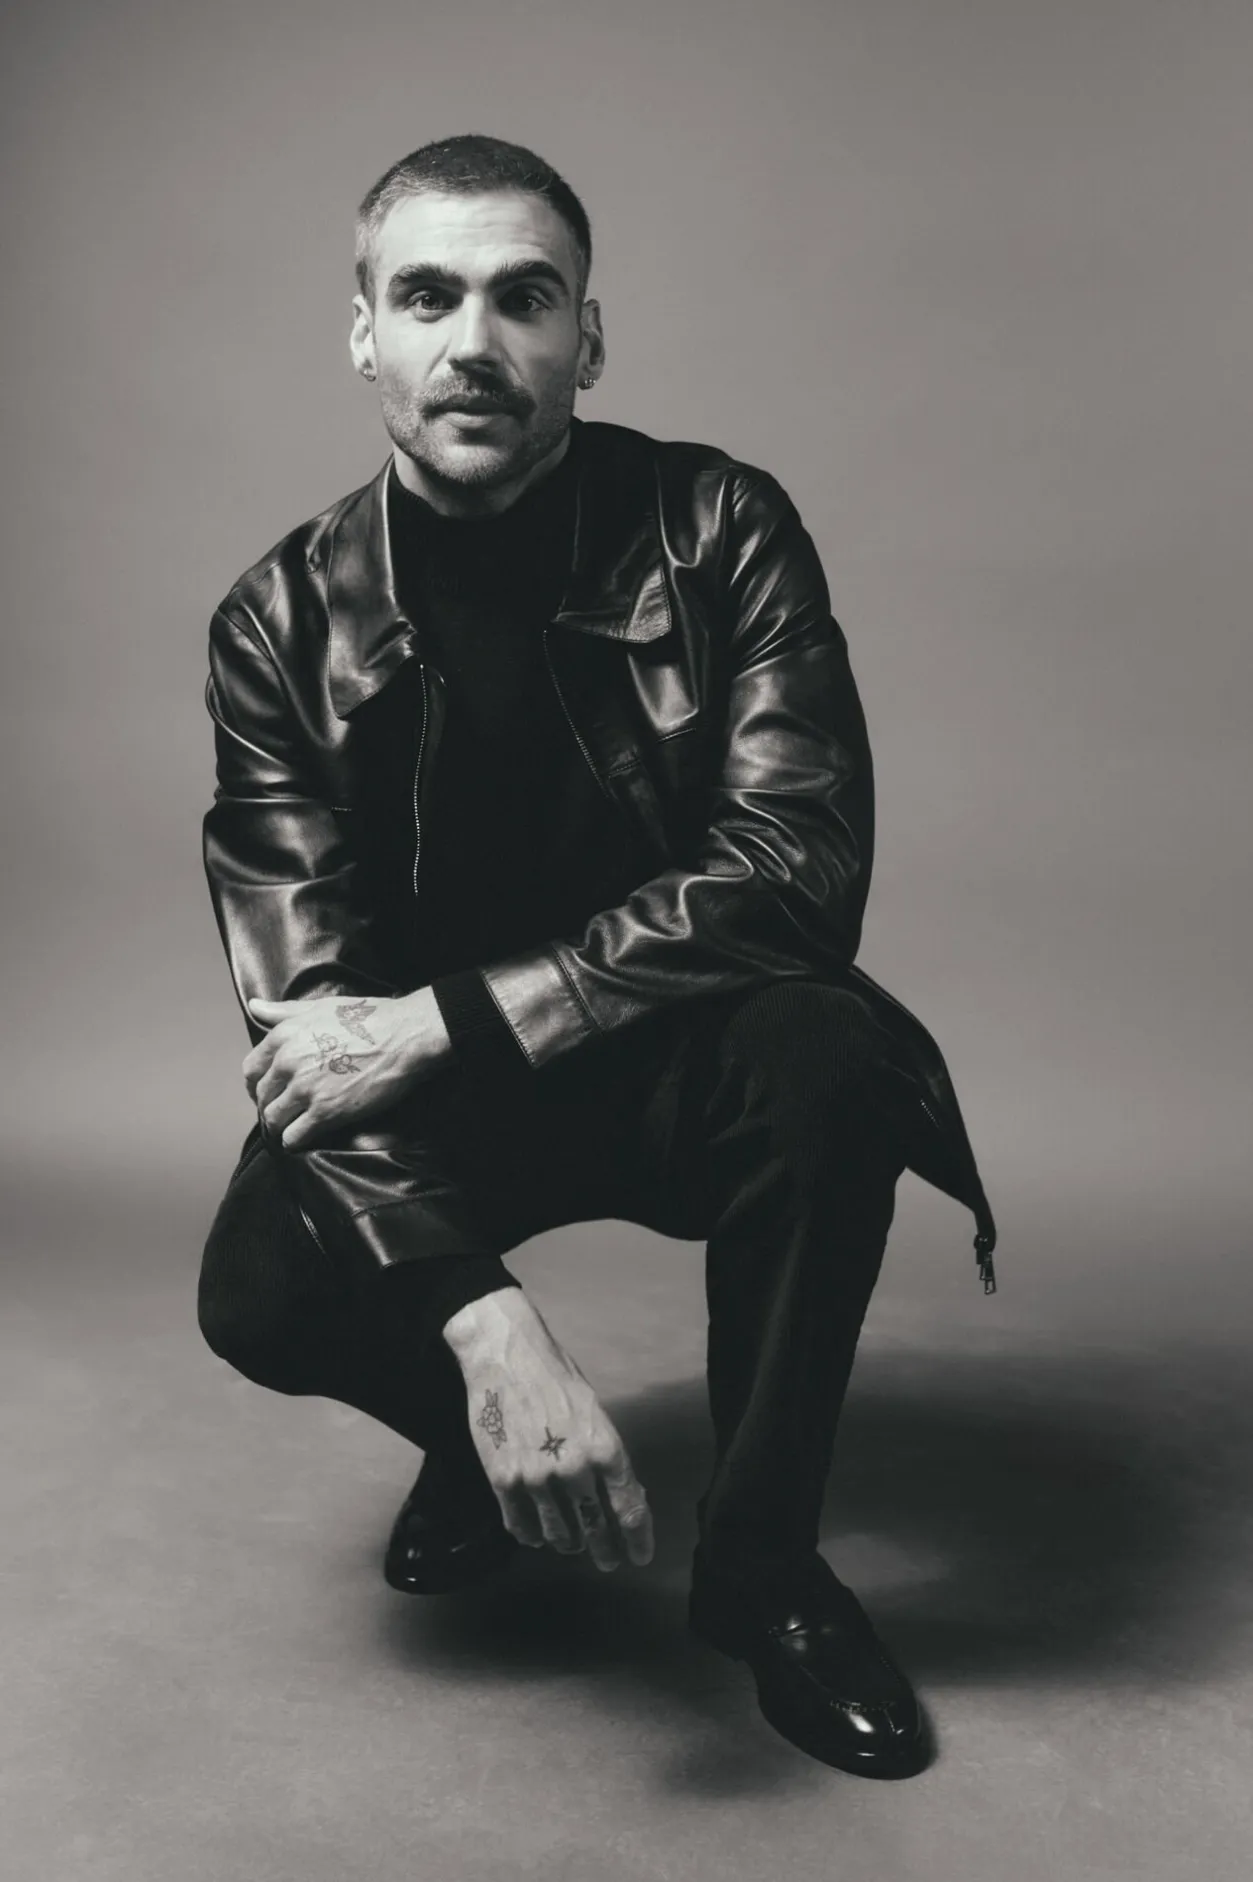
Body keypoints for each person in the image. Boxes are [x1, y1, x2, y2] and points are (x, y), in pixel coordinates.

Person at [196, 132, 998, 1780]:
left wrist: (448, 1019)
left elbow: (794, 870)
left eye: (524, 297)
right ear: (364, 332)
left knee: (831, 1061)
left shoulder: (721, 528)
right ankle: (492, 1443)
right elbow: (307, 1009)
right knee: (262, 1273)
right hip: (451, 1102)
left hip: (686, 1054)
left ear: (589, 336)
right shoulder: (277, 624)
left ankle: (765, 1572)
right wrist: (482, 1323)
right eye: (428, 296)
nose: (474, 341)